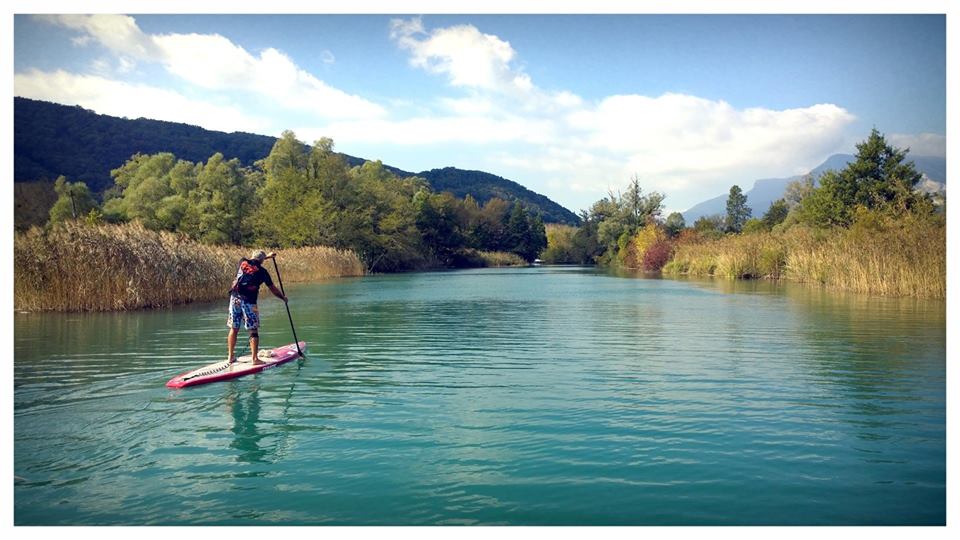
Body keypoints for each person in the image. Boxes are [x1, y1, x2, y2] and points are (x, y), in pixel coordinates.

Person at [227, 250, 287, 365]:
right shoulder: (263, 272)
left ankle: (230, 356)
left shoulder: (242, 262)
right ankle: (255, 359)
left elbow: (254, 261)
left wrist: (266, 257)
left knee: (234, 328)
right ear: (262, 261)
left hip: (234, 299)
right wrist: (282, 298)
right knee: (253, 330)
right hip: (249, 301)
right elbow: (273, 289)